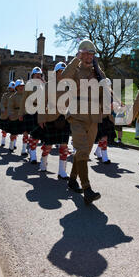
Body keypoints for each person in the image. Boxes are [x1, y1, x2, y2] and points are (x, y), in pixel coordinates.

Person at [60, 39, 105, 204]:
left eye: (91, 53)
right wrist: (75, 60)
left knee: (82, 152)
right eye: (85, 53)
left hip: (93, 116)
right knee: (82, 151)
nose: (88, 56)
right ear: (80, 54)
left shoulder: (97, 71)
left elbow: (104, 89)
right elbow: (63, 79)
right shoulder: (75, 69)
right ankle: (87, 189)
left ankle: (72, 180)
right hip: (77, 114)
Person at [38, 62, 71, 179]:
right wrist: (41, 118)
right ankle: (43, 161)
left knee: (64, 145)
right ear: (56, 73)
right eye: (60, 71)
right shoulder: (48, 85)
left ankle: (62, 171)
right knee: (48, 145)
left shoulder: (69, 86)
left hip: (64, 118)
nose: (62, 74)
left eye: (64, 72)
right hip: (51, 118)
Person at [19, 67, 45, 163]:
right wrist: (20, 113)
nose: (38, 76)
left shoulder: (43, 85)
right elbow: (23, 100)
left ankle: (32, 150)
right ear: (32, 75)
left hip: (40, 111)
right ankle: (33, 154)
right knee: (30, 133)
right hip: (29, 110)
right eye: (36, 74)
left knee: (37, 134)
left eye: (40, 75)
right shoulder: (29, 84)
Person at [0, 80, 15, 147]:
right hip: (6, 113)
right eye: (9, 88)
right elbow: (2, 103)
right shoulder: (5, 95)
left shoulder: (17, 95)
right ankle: (3, 141)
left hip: (14, 114)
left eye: (12, 88)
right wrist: (3, 109)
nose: (10, 89)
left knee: (14, 130)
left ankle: (13, 143)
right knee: (4, 129)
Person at [7, 79, 25, 152]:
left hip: (24, 115)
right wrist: (11, 114)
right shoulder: (12, 97)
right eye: (19, 86)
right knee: (14, 133)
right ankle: (11, 145)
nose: (21, 87)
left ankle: (24, 150)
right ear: (16, 87)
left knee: (26, 133)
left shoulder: (26, 96)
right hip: (15, 116)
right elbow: (10, 106)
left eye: (22, 86)